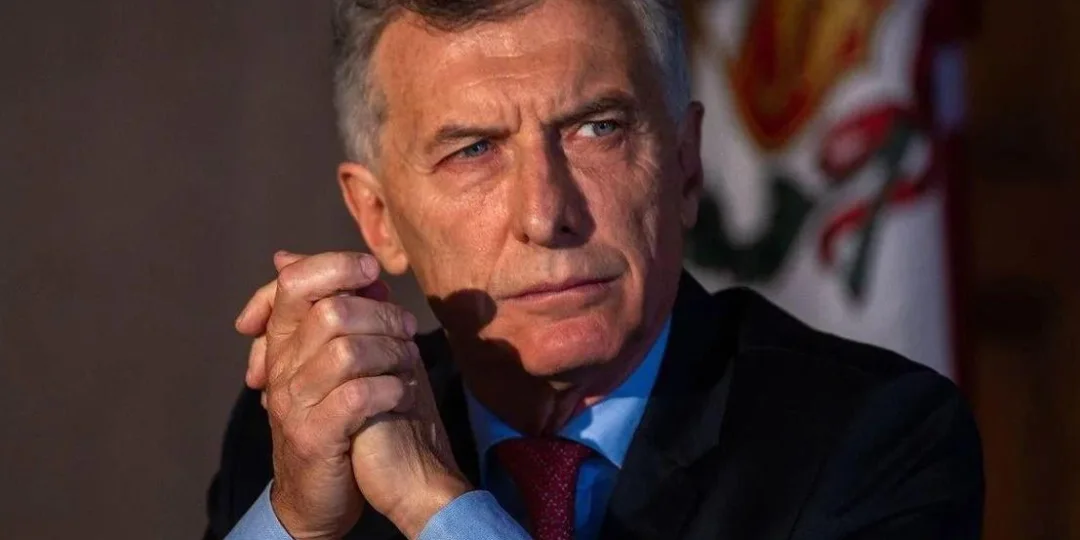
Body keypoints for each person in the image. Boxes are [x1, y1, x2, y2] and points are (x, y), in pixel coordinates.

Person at [204, 0, 984, 539]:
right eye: (474, 150)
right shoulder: (315, 433)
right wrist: (296, 527)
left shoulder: (874, 436)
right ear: (377, 217)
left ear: (685, 167)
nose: (547, 214)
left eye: (596, 128)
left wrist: (435, 506)